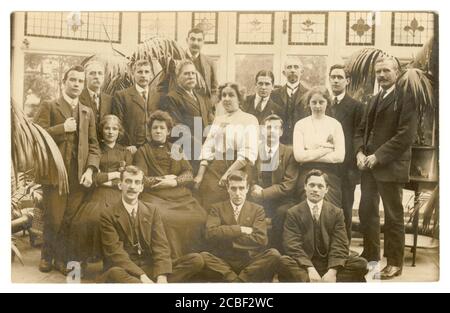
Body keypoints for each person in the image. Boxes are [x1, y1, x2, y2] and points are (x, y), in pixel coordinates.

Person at [354, 56, 418, 279]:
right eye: (378, 71)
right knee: (367, 211)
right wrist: (360, 152)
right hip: (368, 167)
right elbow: (361, 130)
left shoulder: (407, 98)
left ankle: (394, 263)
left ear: (397, 72)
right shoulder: (373, 98)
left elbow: (405, 137)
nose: (381, 75)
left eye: (386, 71)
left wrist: (377, 157)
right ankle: (371, 256)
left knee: (393, 216)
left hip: (390, 167)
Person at [34, 65, 101, 274]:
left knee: (70, 218)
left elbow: (94, 145)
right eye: (73, 80)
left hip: (77, 175)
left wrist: (90, 169)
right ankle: (47, 255)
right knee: (54, 216)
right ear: (64, 82)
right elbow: (36, 135)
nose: (77, 84)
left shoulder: (87, 111)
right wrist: (62, 128)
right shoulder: (50, 106)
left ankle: (62, 259)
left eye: (80, 81)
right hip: (54, 173)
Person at [98, 165, 204, 283]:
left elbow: (161, 245)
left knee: (196, 260)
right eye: (128, 181)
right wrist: (141, 275)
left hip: (150, 268)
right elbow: (115, 253)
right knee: (115, 273)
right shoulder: (107, 214)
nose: (132, 186)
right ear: (120, 185)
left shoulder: (152, 210)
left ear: (142, 187)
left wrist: (161, 275)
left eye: (137, 182)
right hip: (125, 269)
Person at [133, 110, 207, 259]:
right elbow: (142, 179)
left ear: (168, 131)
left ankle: (194, 256)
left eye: (162, 128)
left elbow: (188, 173)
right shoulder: (143, 151)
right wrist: (163, 180)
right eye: (155, 128)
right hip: (155, 196)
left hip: (179, 195)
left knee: (200, 216)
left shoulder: (175, 148)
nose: (158, 131)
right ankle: (172, 258)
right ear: (150, 131)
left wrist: (174, 181)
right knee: (165, 218)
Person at [278, 170, 368, 283]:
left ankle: (313, 282)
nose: (315, 189)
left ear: (326, 190)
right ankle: (320, 282)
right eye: (312, 185)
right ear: (305, 187)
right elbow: (292, 245)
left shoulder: (336, 212)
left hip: (329, 263)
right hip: (305, 265)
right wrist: (310, 269)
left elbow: (340, 244)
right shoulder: (293, 213)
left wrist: (332, 271)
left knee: (361, 264)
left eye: (320, 186)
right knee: (283, 262)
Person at [68, 115, 132, 268]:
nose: (110, 132)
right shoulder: (95, 151)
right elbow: (92, 178)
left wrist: (109, 179)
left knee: (116, 221)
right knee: (83, 221)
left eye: (114, 129)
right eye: (107, 128)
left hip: (118, 195)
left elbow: (127, 177)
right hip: (96, 193)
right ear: (102, 130)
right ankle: (79, 265)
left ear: (119, 131)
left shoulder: (125, 152)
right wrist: (113, 175)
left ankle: (111, 264)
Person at [200, 171, 281, 282]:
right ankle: (239, 280)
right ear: (227, 188)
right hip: (224, 260)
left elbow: (261, 239)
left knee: (274, 255)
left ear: (247, 188)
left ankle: (237, 280)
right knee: (204, 256)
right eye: (233, 188)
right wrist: (241, 229)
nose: (238, 193)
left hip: (249, 261)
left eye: (241, 188)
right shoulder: (217, 208)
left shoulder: (257, 209)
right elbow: (210, 233)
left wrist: (227, 238)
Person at [194, 82, 259, 207]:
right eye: (223, 95)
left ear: (239, 99)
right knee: (204, 187)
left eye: (231, 95)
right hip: (218, 163)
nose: (226, 99)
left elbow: (248, 153)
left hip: (240, 166)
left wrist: (227, 175)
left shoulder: (249, 119)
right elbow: (208, 146)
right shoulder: (219, 119)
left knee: (221, 192)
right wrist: (200, 175)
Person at [250, 114, 299, 252]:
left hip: (282, 200)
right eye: (268, 128)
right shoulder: (257, 151)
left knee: (282, 213)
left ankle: (278, 253)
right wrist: (254, 186)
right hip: (259, 199)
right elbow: (251, 176)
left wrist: (263, 193)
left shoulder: (289, 153)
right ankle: (255, 253)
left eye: (276, 128)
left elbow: (288, 185)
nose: (271, 131)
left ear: (281, 132)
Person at [327, 64, 363, 241]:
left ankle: (344, 249)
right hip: (326, 166)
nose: (335, 80)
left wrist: (354, 170)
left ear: (347, 81)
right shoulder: (323, 104)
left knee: (345, 209)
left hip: (346, 169)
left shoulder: (356, 106)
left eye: (339, 77)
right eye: (333, 77)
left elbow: (358, 136)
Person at [293, 86, 345, 207]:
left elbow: (339, 157)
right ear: (308, 104)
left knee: (330, 207)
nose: (317, 106)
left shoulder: (335, 124)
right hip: (306, 172)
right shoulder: (301, 125)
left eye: (321, 102)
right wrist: (326, 149)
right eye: (314, 102)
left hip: (330, 173)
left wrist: (310, 152)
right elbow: (299, 156)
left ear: (327, 103)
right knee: (305, 206)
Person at [159, 60, 213, 170]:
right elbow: (177, 128)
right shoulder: (172, 98)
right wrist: (199, 147)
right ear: (178, 77)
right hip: (186, 152)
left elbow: (210, 122)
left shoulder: (202, 98)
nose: (191, 76)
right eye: (186, 73)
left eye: (193, 73)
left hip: (205, 152)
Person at [112, 59, 155, 153]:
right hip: (131, 149)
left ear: (151, 75)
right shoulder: (122, 96)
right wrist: (127, 145)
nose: (143, 75)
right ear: (133, 74)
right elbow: (118, 124)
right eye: (139, 72)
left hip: (153, 148)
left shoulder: (158, 96)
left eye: (146, 72)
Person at [271, 58, 309, 145]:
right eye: (289, 67)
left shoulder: (308, 94)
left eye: (296, 67)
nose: (292, 70)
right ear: (284, 72)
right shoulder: (274, 94)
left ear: (302, 72)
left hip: (301, 141)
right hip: (279, 141)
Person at [79, 61, 113, 133]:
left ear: (104, 77)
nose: (97, 77)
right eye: (92, 73)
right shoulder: (78, 97)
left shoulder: (110, 100)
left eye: (100, 73)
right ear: (85, 77)